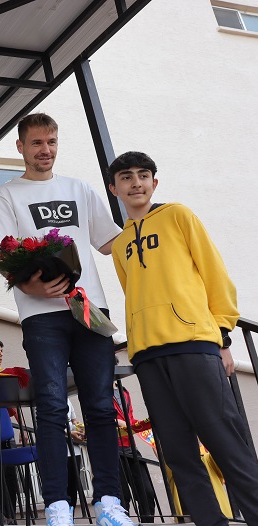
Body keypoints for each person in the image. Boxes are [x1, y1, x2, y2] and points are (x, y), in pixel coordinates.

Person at [0, 113, 133, 525]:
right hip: (41, 316)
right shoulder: (7, 195)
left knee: (100, 407)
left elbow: (112, 243)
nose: (45, 150)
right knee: (50, 406)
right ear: (21, 147)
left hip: (89, 310)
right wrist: (28, 285)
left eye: (50, 141)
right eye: (36, 143)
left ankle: (108, 503)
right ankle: (57, 507)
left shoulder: (79, 188)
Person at [108, 150, 258, 525]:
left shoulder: (179, 215)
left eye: (143, 175)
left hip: (194, 344)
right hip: (147, 355)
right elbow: (131, 294)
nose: (136, 183)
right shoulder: (120, 244)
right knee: (177, 452)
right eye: (126, 177)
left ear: (154, 182)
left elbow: (215, 274)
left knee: (225, 441)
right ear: (114, 189)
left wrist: (222, 336)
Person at [112, 383, 155, 522]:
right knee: (122, 496)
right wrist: (116, 421)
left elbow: (130, 419)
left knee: (147, 492)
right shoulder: (99, 389)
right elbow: (95, 415)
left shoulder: (124, 391)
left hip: (131, 447)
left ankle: (147, 524)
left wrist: (146, 427)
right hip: (112, 448)